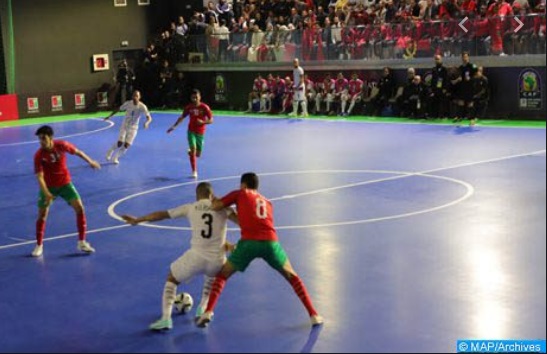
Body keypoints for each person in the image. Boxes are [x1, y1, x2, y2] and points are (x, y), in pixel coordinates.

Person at [195, 172, 324, 328]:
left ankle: (208, 312)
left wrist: (213, 197)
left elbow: (216, 207)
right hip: (271, 243)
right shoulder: (267, 202)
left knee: (222, 275)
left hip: (248, 243)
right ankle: (313, 314)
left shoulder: (240, 193)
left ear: (243, 184)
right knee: (292, 276)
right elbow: (253, 220)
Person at [121, 182, 239, 331]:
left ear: (197, 196)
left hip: (196, 257)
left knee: (172, 279)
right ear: (211, 194)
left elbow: (161, 215)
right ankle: (202, 309)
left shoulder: (190, 208)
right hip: (217, 260)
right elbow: (243, 223)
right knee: (211, 278)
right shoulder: (223, 208)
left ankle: (166, 319)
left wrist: (138, 219)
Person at [32, 126, 101, 257]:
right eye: (39, 139)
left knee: (80, 208)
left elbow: (78, 152)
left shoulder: (62, 145)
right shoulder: (39, 155)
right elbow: (39, 177)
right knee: (42, 215)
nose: (41, 141)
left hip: (65, 184)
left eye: (44, 138)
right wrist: (46, 193)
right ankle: (39, 245)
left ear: (50, 137)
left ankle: (82, 242)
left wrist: (90, 161)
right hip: (49, 187)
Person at [167, 89, 213, 179]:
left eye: (196, 97)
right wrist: (174, 126)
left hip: (200, 132)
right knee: (193, 149)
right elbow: (182, 117)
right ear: (191, 98)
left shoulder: (205, 107)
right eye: (193, 97)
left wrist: (203, 122)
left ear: (200, 97)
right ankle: (194, 171)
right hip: (191, 131)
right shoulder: (189, 107)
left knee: (198, 154)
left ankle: (191, 152)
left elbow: (211, 120)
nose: (195, 99)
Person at [104, 90, 152, 164]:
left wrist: (147, 123)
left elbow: (149, 118)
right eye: (134, 95)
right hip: (125, 125)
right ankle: (110, 151)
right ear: (132, 96)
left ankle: (116, 157)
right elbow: (118, 109)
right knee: (120, 142)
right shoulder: (128, 104)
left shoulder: (142, 106)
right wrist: (110, 116)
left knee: (127, 145)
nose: (135, 97)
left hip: (134, 127)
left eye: (137, 96)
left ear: (139, 97)